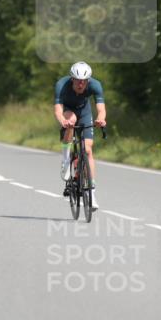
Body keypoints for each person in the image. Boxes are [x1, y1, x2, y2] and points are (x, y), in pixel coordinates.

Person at [54, 61, 106, 210]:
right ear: (72, 79)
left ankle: (91, 193)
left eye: (84, 81)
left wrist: (101, 119)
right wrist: (62, 120)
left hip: (85, 112)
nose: (81, 84)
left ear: (88, 80)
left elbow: (101, 109)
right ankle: (65, 160)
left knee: (88, 150)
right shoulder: (61, 85)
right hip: (69, 111)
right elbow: (58, 109)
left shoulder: (95, 85)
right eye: (77, 80)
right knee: (71, 120)